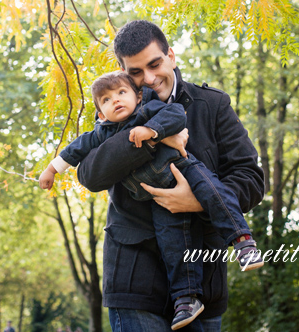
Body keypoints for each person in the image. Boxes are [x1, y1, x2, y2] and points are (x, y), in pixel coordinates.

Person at [39, 71, 264, 329]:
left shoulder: (150, 109)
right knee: (174, 242)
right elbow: (76, 151)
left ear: (137, 96)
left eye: (121, 93)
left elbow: (177, 114)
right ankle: (187, 298)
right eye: (107, 100)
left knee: (215, 193)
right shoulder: (102, 133)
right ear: (100, 113)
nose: (116, 101)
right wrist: (52, 169)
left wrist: (151, 131)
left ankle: (243, 242)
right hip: (157, 198)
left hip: (185, 169)